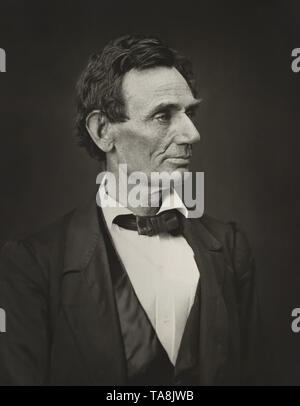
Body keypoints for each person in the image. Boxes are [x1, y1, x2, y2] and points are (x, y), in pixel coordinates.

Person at [0, 34, 261, 385]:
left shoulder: (230, 247)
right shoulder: (34, 263)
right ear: (103, 131)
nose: (193, 134)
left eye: (190, 113)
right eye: (163, 115)